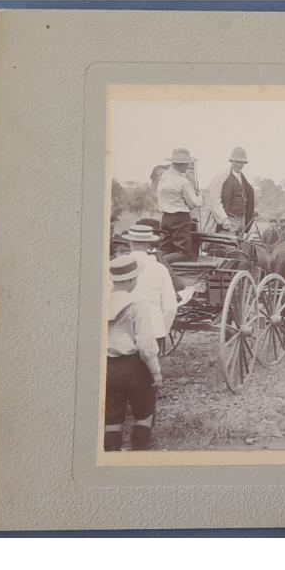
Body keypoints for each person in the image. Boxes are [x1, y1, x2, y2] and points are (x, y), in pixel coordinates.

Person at [105, 255, 162, 451]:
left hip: (107, 367)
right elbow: (146, 344)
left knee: (111, 417)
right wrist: (156, 372)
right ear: (131, 280)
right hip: (133, 367)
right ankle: (138, 453)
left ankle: (112, 457)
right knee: (144, 413)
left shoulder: (101, 303)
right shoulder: (137, 304)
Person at [124, 225, 178, 348]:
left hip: (122, 331)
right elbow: (170, 306)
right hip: (153, 329)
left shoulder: (117, 266)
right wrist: (163, 328)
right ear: (149, 243)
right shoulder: (160, 269)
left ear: (129, 242)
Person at [157, 147, 202, 263]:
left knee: (165, 248)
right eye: (187, 164)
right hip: (180, 219)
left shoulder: (164, 176)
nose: (188, 166)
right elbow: (194, 204)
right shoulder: (184, 182)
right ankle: (161, 264)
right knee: (185, 254)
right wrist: (199, 195)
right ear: (182, 165)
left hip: (165, 218)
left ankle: (156, 260)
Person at [208, 146, 255, 235]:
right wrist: (223, 220)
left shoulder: (242, 178)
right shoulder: (222, 176)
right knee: (227, 247)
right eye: (236, 162)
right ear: (231, 161)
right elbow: (214, 199)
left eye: (241, 162)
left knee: (239, 246)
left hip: (241, 220)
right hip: (229, 220)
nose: (239, 165)